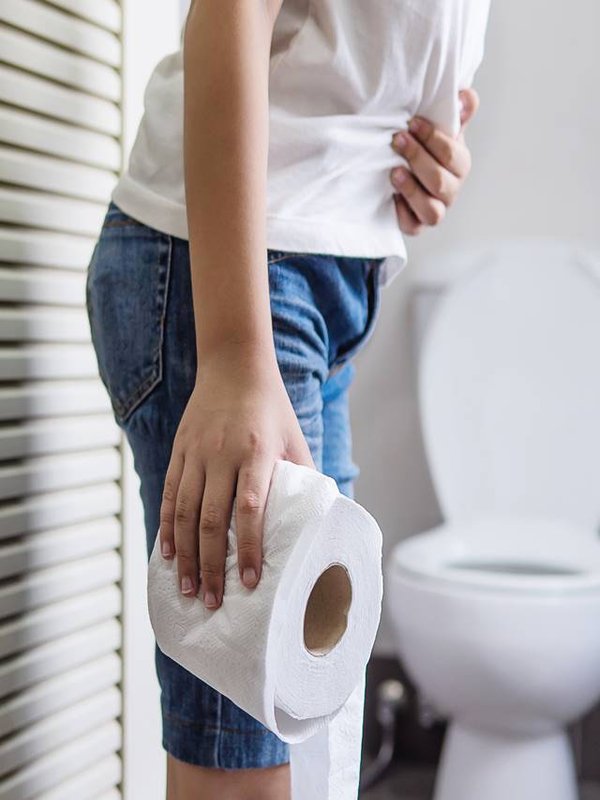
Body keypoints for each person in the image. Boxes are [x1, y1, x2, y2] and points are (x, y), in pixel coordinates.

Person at [85, 1, 491, 797]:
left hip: (315, 276)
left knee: (297, 741)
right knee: (247, 768)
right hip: (235, 283)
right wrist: (235, 353)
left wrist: (428, 161)